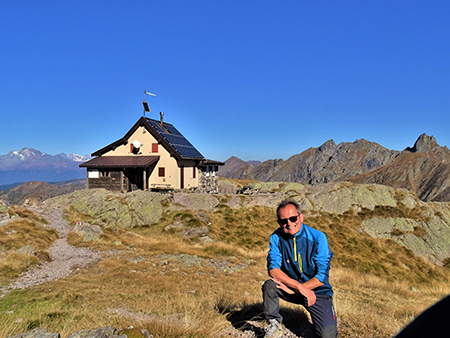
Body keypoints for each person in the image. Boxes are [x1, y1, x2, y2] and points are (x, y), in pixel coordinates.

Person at [262, 200, 338, 338]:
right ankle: (274, 324)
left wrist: (298, 288)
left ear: (301, 217)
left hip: (317, 292)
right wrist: (298, 287)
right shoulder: (276, 237)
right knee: (270, 285)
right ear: (279, 222)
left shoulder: (318, 238)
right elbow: (273, 270)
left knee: (328, 335)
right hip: (291, 288)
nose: (289, 223)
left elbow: (322, 277)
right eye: (283, 221)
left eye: (293, 218)